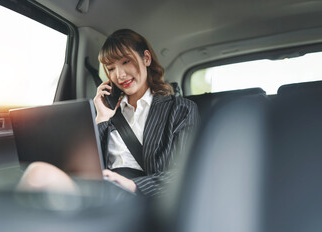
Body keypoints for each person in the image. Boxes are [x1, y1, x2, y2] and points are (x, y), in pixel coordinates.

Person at [17, 29, 199, 198]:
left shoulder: (181, 109)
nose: (119, 75)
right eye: (111, 68)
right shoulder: (109, 111)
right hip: (99, 189)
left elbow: (184, 173)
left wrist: (133, 185)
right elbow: (86, 164)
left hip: (142, 196)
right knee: (37, 172)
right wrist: (102, 117)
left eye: (126, 61)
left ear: (146, 58)